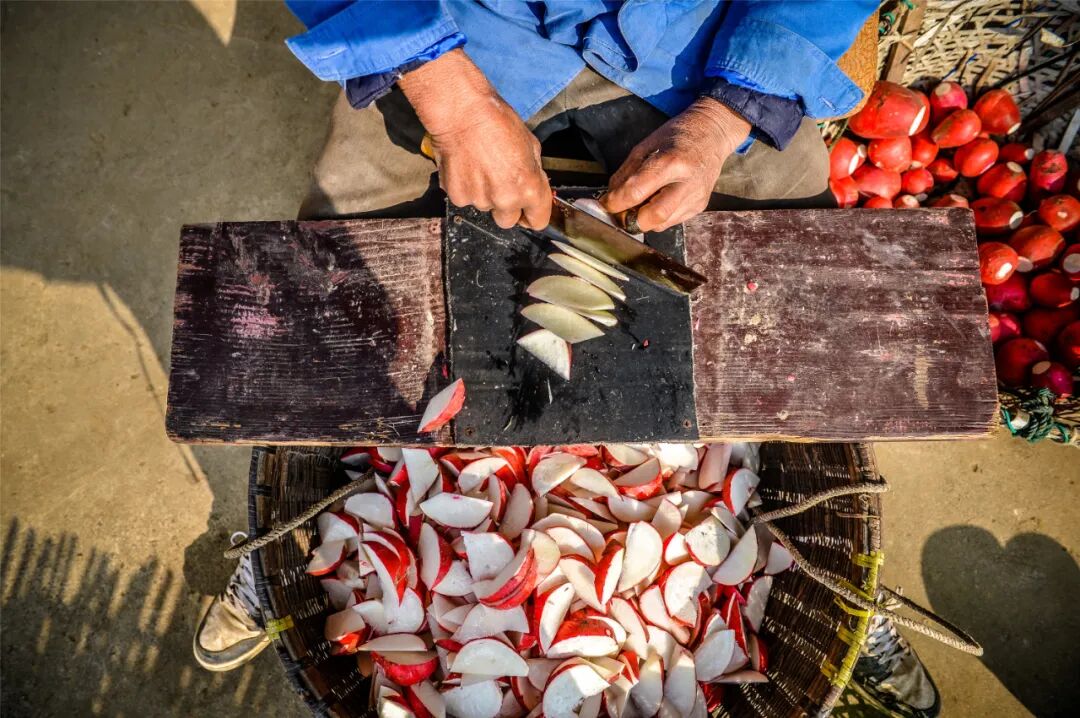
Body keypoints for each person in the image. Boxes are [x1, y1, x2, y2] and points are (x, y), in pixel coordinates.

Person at [194, 2, 941, 715]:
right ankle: (326, 553)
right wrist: (443, 92)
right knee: (328, 291)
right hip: (459, 29)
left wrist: (731, 113)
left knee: (806, 316)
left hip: (701, 43)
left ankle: (820, 583)